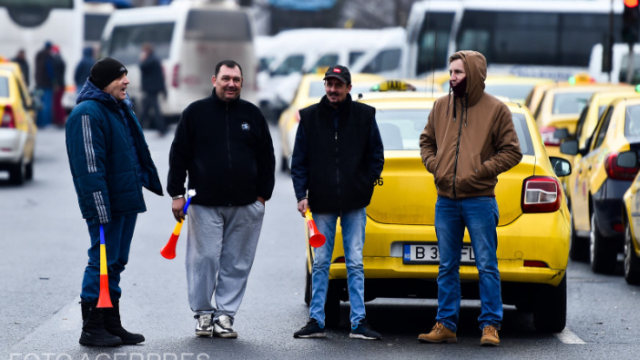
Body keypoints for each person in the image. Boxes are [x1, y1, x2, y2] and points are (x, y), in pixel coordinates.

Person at [417, 51, 522, 346]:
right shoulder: (440, 106)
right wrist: (436, 166)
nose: (452, 78)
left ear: (473, 75)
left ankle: (490, 326)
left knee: (487, 265)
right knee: (446, 266)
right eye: (451, 72)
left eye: (459, 73)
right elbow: (426, 141)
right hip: (446, 201)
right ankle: (445, 324)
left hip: (480, 200)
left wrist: (482, 170)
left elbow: (512, 151)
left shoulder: (496, 110)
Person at [167, 60, 275, 339]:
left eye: (236, 79)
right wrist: (176, 194)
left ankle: (225, 315)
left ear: (242, 82)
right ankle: (203, 314)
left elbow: (267, 157)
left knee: (237, 262)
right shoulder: (195, 113)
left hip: (246, 204)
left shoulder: (252, 115)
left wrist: (262, 197)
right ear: (214, 80)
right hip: (203, 203)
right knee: (204, 259)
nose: (231, 84)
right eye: (226, 78)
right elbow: (179, 154)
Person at [65, 57, 164, 347]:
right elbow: (88, 167)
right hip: (105, 204)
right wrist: (98, 207)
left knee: (117, 262)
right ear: (105, 82)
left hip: (125, 199)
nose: (127, 81)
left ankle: (111, 321)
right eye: (121, 77)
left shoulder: (119, 107)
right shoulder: (87, 113)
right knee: (102, 261)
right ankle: (92, 327)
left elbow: (134, 151)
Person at [291, 65, 385, 340]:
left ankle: (358, 323)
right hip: (320, 203)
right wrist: (302, 195)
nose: (333, 89)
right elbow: (299, 162)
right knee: (320, 263)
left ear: (348, 88)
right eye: (329, 84)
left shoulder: (365, 116)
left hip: (355, 202)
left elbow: (376, 157)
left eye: (338, 84)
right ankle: (316, 321)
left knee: (355, 263)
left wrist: (362, 184)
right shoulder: (309, 117)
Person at [139, 43, 167, 136]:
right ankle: (139, 128)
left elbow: (142, 66)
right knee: (147, 110)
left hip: (151, 89)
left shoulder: (151, 60)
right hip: (153, 88)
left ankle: (162, 129)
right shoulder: (155, 59)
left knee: (151, 110)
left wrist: (142, 59)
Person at [35, 41, 54, 128]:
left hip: (38, 84)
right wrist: (53, 81)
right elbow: (50, 71)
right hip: (47, 85)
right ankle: (45, 123)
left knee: (39, 103)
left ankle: (38, 122)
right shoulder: (48, 56)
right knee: (47, 104)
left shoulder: (38, 55)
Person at [51, 45, 67, 126]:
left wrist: (55, 84)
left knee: (57, 104)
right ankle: (60, 120)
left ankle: (59, 120)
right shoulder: (61, 60)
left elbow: (56, 74)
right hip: (62, 84)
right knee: (58, 103)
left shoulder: (56, 61)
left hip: (59, 85)